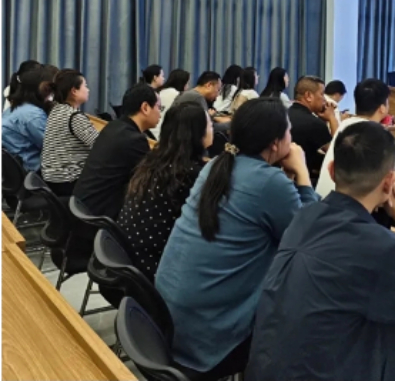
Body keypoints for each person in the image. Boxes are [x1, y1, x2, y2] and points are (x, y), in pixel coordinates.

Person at [246, 121, 395, 381]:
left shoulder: (304, 216)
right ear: (389, 182)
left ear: (331, 170)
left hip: (268, 368)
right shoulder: (380, 246)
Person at [156, 98, 318, 379]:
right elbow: (311, 239)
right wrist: (303, 173)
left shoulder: (216, 166)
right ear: (275, 143)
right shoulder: (270, 183)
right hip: (208, 339)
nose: (293, 138)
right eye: (289, 131)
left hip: (168, 322)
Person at [118, 103, 213, 281]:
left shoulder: (155, 160)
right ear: (197, 133)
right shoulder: (189, 174)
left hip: (126, 260)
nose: (212, 129)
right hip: (154, 271)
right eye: (209, 125)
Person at [316, 79, 395, 198]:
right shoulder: (378, 134)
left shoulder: (345, 125)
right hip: (346, 205)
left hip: (323, 200)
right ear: (382, 108)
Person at [73, 83, 160, 219]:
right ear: (145, 108)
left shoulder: (113, 126)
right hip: (99, 215)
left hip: (82, 207)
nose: (160, 113)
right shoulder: (134, 140)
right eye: (159, 108)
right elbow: (153, 180)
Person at [41, 70, 99, 197]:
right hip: (69, 182)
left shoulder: (56, 110)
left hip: (53, 180)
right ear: (74, 91)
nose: (88, 90)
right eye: (85, 86)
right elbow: (100, 147)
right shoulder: (74, 116)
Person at [287, 76, 339, 176]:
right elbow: (336, 152)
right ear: (309, 96)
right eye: (322, 94)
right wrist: (332, 118)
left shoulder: (284, 114)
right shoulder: (314, 124)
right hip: (303, 178)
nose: (324, 99)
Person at [2, 67, 52, 172]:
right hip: (32, 170)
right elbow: (53, 147)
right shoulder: (32, 115)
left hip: (17, 170)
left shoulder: (16, 108)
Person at [152, 69, 191, 140]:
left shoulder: (159, 92)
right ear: (182, 83)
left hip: (151, 132)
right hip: (164, 135)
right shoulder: (179, 96)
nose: (188, 87)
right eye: (187, 83)